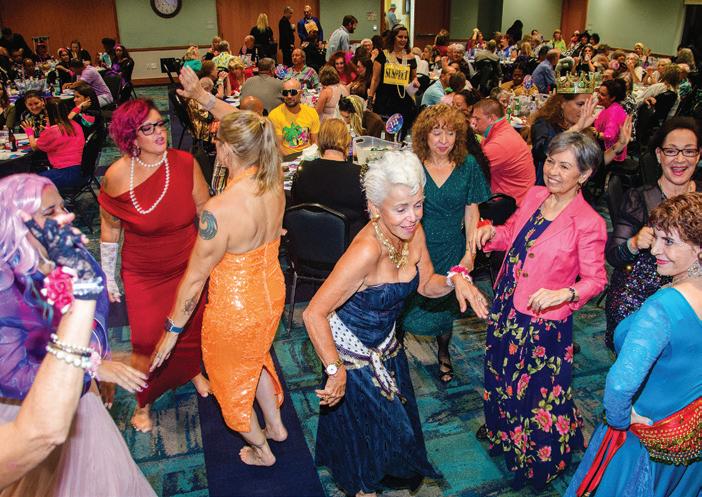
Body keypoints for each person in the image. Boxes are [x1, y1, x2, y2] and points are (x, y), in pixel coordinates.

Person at [303, 149, 488, 497]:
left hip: (387, 347)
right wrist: (334, 369)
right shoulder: (365, 251)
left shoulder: (413, 233)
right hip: (351, 356)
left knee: (392, 433)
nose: (412, 217)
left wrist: (455, 279)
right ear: (374, 208)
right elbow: (313, 313)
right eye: (401, 208)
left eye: (418, 205)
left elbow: (426, 284)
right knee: (369, 438)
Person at [0, 174, 155, 496]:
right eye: (50, 212)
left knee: (105, 475)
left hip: (81, 395)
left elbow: (92, 316)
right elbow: (14, 375)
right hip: (28, 408)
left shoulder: (67, 257)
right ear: (18, 224)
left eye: (63, 206)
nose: (65, 216)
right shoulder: (5, 290)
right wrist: (92, 366)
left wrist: (98, 362)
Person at [152, 110, 287, 467]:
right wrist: (204, 98)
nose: (215, 146)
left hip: (236, 309)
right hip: (272, 293)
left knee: (227, 381)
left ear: (227, 149)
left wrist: (171, 333)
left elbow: (195, 280)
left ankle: (263, 451)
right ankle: (276, 427)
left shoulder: (219, 210)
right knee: (255, 359)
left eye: (217, 141)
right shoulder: (275, 182)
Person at [475, 131, 607, 489]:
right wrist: (492, 235)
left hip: (542, 321)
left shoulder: (588, 222)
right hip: (507, 303)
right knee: (502, 373)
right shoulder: (535, 195)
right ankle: (504, 432)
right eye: (550, 161)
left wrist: (564, 293)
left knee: (538, 392)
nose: (552, 171)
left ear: (584, 174)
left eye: (564, 166)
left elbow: (596, 280)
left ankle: (539, 460)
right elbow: (514, 235)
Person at [565, 192, 702, 497]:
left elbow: (619, 385)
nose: (655, 249)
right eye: (657, 238)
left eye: (669, 242)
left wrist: (619, 419)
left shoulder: (662, 308)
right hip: (690, 442)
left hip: (643, 443)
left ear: (699, 249)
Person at [98, 99, 211, 433]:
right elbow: (109, 230)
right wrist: (108, 275)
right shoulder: (116, 176)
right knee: (147, 340)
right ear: (131, 136)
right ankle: (143, 401)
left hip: (187, 265)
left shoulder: (185, 163)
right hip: (143, 273)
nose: (160, 133)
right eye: (147, 128)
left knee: (190, 328)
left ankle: (191, 371)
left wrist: (214, 258)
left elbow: (205, 212)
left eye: (160, 124)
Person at [401, 104, 491, 383]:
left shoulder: (468, 165)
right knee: (406, 301)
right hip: (415, 245)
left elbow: (472, 211)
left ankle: (443, 352)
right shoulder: (412, 164)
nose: (443, 140)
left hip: (452, 247)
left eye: (450, 133)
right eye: (437, 133)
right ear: (424, 135)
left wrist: (470, 253)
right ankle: (397, 354)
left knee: (445, 307)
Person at [604, 117, 701, 349]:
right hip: (638, 297)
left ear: (698, 156)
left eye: (688, 151)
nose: (680, 159)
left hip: (693, 294)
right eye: (671, 151)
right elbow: (613, 256)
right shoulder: (639, 198)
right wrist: (634, 243)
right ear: (659, 155)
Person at [291, 118, 367, 237]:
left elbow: (295, 204)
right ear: (347, 141)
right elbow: (369, 214)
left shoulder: (303, 169)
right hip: (349, 242)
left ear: (319, 140)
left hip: (307, 237)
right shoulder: (360, 174)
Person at [529, 87, 598, 185]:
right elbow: (540, 151)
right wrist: (576, 128)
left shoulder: (586, 130)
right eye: (580, 104)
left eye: (588, 105)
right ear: (562, 103)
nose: (585, 110)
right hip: (547, 185)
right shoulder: (544, 124)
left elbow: (594, 167)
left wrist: (617, 147)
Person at [471, 98, 535, 205]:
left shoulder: (499, 144)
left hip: (511, 203)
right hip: (513, 196)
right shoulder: (503, 131)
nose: (474, 123)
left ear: (491, 118)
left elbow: (470, 172)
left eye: (477, 119)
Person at [23, 98, 85, 189]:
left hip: (65, 173)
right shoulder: (74, 124)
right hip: (81, 170)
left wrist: (29, 132)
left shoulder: (53, 131)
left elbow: (34, 147)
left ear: (48, 113)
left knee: (27, 183)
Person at [368, 25, 418, 135]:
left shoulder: (411, 57)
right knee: (384, 132)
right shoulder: (383, 56)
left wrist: (415, 82)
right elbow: (375, 79)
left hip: (404, 101)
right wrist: (370, 98)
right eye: (400, 37)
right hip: (385, 101)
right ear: (393, 37)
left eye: (406, 37)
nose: (403, 40)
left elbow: (413, 77)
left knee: (401, 133)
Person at [269, 78, 320, 155]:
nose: (289, 96)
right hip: (286, 158)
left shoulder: (311, 112)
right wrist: (293, 160)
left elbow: (315, 141)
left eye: (293, 92)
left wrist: (310, 156)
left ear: (301, 93)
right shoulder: (274, 115)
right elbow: (278, 146)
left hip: (308, 156)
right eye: (285, 93)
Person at [594, 78, 628, 163]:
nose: (598, 96)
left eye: (603, 94)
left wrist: (594, 133)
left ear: (612, 98)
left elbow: (609, 135)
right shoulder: (610, 107)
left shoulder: (614, 111)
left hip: (611, 155)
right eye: (598, 92)